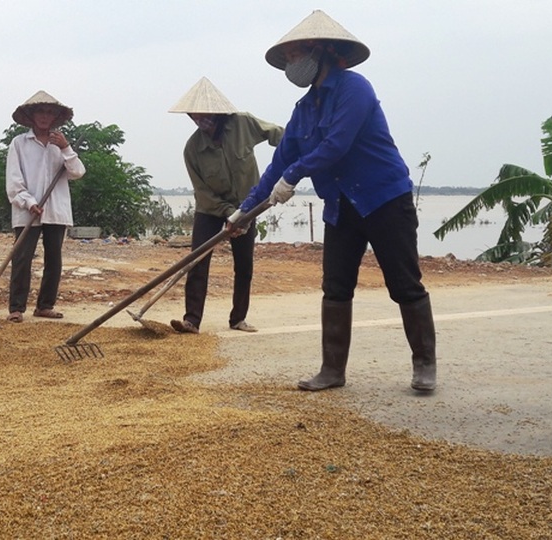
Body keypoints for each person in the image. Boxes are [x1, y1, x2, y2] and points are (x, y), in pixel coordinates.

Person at [232, 10, 437, 392]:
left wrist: (295, 175)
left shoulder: (354, 88)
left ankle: (424, 365)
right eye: (289, 58)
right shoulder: (303, 110)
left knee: (404, 284)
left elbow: (336, 145)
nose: (292, 64)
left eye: (297, 56)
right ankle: (332, 370)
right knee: (336, 287)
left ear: (321, 51)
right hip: (341, 207)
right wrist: (244, 211)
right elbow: (280, 162)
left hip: (384, 199)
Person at [167, 78, 283, 335]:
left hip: (249, 205)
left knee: (244, 265)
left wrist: (296, 150)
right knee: (197, 261)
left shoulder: (243, 124)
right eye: (194, 114)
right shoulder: (193, 148)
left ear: (216, 111)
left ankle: (238, 318)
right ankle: (191, 320)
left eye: (203, 113)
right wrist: (228, 213)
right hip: (210, 210)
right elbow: (202, 192)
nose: (199, 118)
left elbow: (277, 134)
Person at [5, 90, 86, 323]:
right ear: (31, 116)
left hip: (56, 211)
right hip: (26, 211)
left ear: (55, 118)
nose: (44, 116)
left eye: (49, 113)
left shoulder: (60, 145)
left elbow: (78, 172)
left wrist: (66, 148)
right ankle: (16, 308)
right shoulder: (19, 144)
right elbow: (13, 182)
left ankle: (45, 305)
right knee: (22, 258)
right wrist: (29, 202)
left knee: (54, 259)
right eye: (40, 111)